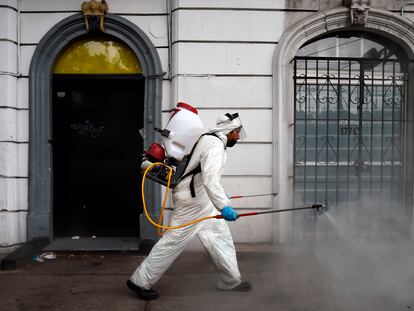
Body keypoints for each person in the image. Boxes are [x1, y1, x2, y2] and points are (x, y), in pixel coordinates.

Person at [127, 112, 251, 301]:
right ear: (229, 130)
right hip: (192, 204)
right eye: (237, 132)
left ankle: (230, 280)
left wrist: (220, 196)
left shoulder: (209, 139)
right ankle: (140, 281)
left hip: (203, 202)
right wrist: (224, 205)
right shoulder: (215, 146)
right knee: (172, 242)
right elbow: (209, 179)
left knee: (220, 238)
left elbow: (202, 175)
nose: (238, 137)